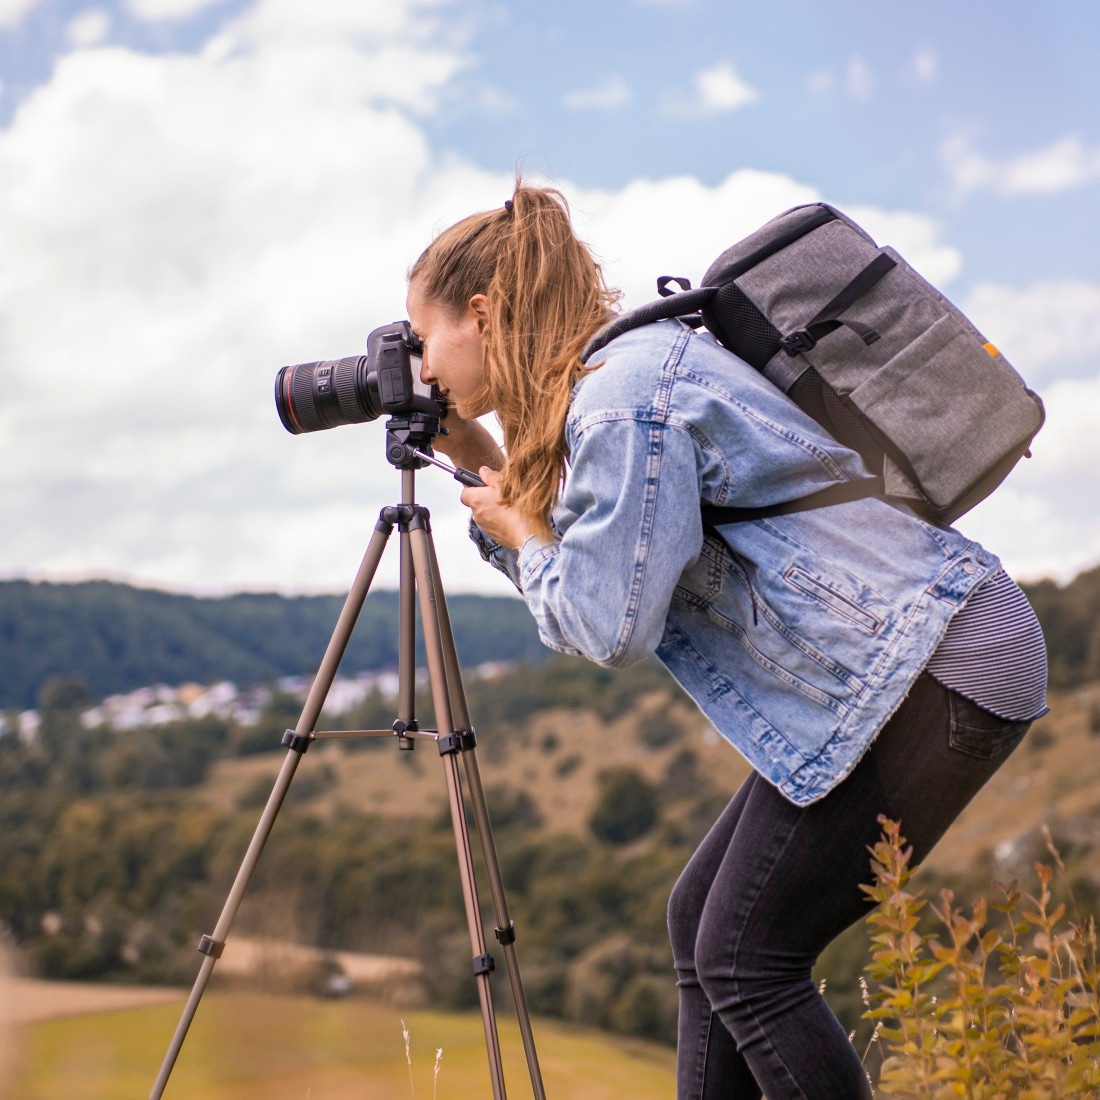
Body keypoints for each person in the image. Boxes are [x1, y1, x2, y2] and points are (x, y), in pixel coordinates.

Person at [405, 183, 1048, 1099]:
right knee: (701, 924)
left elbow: (604, 624)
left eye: (422, 339)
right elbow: (601, 566)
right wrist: (490, 474)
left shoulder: (622, 401)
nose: (421, 367)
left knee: (747, 957)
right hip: (907, 661)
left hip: (937, 661)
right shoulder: (620, 382)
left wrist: (521, 532)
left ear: (480, 316)